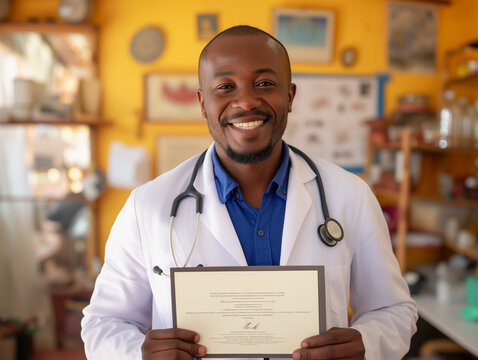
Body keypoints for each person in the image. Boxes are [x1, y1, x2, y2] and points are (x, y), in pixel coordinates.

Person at [81, 25, 417, 359]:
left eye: (265, 84)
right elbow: (104, 322)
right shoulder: (148, 206)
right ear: (202, 102)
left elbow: (394, 310)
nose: (245, 101)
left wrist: (367, 344)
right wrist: (138, 353)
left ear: (290, 96)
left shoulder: (349, 196)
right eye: (225, 86)